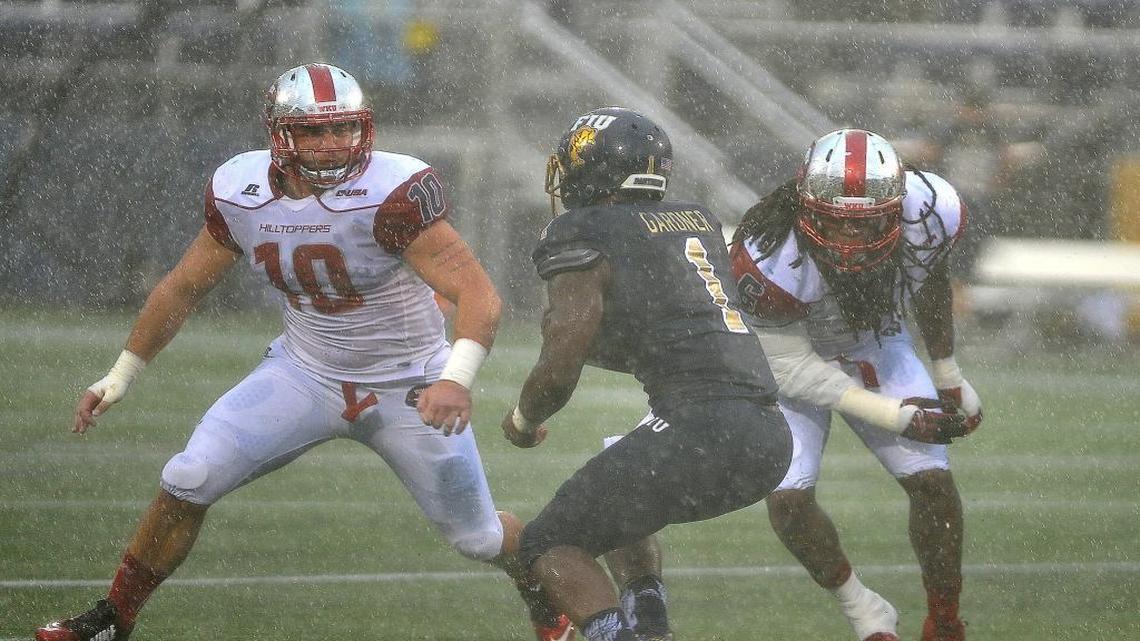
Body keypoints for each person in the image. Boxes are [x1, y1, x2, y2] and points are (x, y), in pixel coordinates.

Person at [35, 63, 572, 641]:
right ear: (279, 133)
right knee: (188, 476)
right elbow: (182, 288)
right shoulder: (240, 191)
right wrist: (120, 375)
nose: (333, 144)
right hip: (305, 373)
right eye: (314, 132)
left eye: (344, 128)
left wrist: (455, 379)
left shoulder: (390, 192)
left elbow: (479, 295)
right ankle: (111, 621)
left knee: (481, 539)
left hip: (409, 385)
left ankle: (550, 610)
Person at [500, 106, 793, 641]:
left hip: (699, 428)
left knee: (548, 543)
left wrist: (522, 419)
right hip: (768, 437)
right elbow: (664, 335)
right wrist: (586, 344)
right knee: (619, 503)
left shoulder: (581, 228)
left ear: (593, 171)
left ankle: (617, 634)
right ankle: (650, 623)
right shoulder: (694, 220)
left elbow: (561, 363)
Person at [728, 128, 983, 641]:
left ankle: (946, 618)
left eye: (865, 226)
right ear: (804, 206)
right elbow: (790, 367)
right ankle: (865, 610)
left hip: (875, 343)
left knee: (933, 483)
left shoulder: (929, 210)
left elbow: (930, 278)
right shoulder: (767, 249)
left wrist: (948, 373)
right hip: (791, 362)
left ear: (896, 206)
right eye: (835, 224)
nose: (849, 242)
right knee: (787, 501)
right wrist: (897, 415)